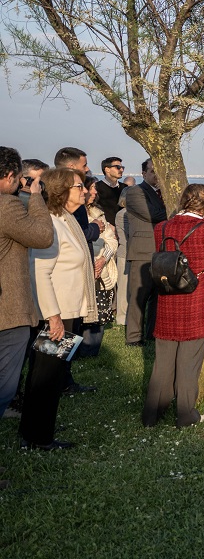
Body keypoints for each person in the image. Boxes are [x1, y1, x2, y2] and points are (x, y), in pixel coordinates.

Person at [141, 184, 204, 428]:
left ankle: (152, 414)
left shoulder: (161, 227)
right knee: (189, 363)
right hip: (197, 300)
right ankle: (186, 414)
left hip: (168, 300)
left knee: (163, 362)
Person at [25, 168, 93, 447]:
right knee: (45, 376)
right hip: (58, 314)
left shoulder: (66, 219)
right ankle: (37, 437)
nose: (85, 191)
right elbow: (39, 272)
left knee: (52, 375)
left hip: (68, 311)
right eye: (79, 187)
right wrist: (52, 316)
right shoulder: (51, 223)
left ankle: (39, 429)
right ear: (60, 191)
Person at [0, 149, 54, 432]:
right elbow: (43, 236)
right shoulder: (7, 206)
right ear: (10, 175)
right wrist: (35, 197)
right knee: (4, 386)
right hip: (7, 309)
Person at [120, 159, 167, 346]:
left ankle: (152, 332)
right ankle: (133, 337)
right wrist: (174, 210)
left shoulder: (163, 193)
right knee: (139, 296)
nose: (157, 175)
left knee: (158, 295)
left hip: (162, 251)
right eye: (153, 171)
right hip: (142, 252)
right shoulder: (135, 192)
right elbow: (152, 214)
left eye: (159, 171)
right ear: (144, 173)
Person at [78, 177, 118, 358]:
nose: (94, 192)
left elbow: (111, 239)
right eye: (91, 188)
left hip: (101, 271)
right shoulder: (72, 215)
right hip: (80, 271)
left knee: (98, 312)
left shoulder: (98, 213)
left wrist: (103, 259)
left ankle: (91, 352)